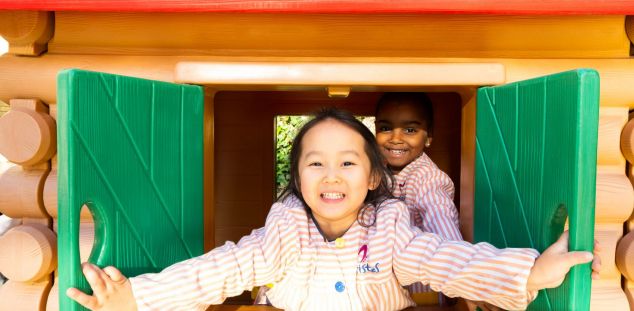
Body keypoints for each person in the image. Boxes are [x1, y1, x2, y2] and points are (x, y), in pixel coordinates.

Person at [66, 108, 600, 311]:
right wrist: (138, 297)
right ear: (297, 179)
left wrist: (530, 272)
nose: (331, 175)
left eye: (347, 163)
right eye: (315, 164)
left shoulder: (392, 227)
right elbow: (223, 268)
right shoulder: (285, 227)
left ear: (372, 179)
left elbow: (448, 262)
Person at [374, 92, 461, 302]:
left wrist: (461, 277)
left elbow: (441, 220)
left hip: (421, 295)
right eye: (385, 128)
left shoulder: (427, 178)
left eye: (410, 130)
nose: (395, 138)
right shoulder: (379, 171)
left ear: (429, 137)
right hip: (386, 291)